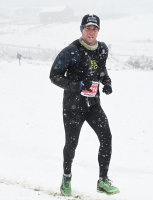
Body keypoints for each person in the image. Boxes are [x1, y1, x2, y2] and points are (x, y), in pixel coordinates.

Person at [49, 14, 120, 196]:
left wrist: (107, 81)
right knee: (71, 145)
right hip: (73, 107)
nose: (91, 31)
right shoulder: (70, 51)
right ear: (81, 29)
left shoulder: (102, 49)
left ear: (98, 31)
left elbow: (101, 69)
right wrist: (77, 85)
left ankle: (103, 180)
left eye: (94, 28)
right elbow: (54, 75)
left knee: (107, 138)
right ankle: (66, 178)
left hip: (93, 105)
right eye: (88, 28)